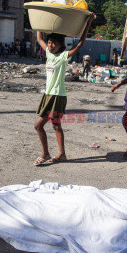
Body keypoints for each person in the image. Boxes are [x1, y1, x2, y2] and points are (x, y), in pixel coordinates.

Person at [33, 13, 94, 166]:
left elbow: (79, 44)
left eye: (54, 43)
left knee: (39, 125)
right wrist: (39, 18)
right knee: (55, 125)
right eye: (49, 42)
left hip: (57, 96)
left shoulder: (63, 56)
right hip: (48, 95)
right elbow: (39, 38)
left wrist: (89, 22)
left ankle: (46, 153)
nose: (50, 45)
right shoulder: (48, 53)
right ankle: (61, 154)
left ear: (61, 45)